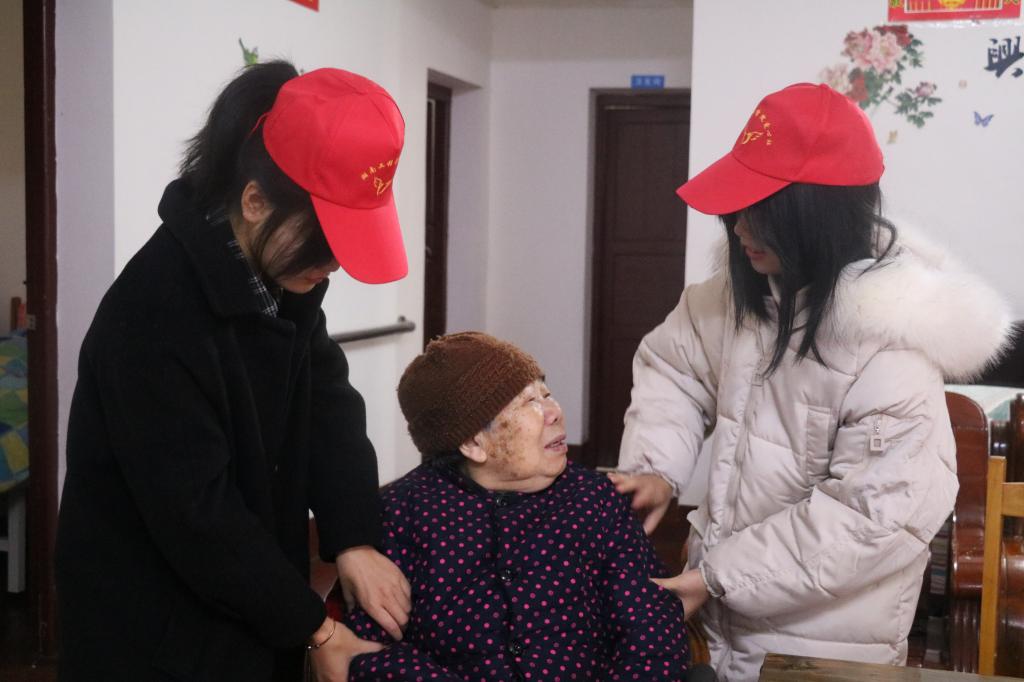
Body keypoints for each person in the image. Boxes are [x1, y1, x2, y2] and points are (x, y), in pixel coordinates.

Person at [610, 83, 1012, 681]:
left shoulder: (891, 343)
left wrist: (716, 577)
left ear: (818, 217)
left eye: (762, 213)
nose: (740, 228)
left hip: (829, 642)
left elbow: (873, 518)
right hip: (720, 618)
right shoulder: (729, 299)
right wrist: (655, 467)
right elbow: (674, 368)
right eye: (738, 207)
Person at [55, 62, 412, 682]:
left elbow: (327, 402)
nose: (333, 266)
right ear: (254, 201)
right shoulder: (152, 316)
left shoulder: (281, 275)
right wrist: (316, 631)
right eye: (324, 241)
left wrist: (352, 537)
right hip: (153, 627)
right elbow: (199, 518)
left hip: (242, 600)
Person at [333, 332, 691, 681]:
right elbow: (371, 651)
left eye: (547, 394)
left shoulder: (594, 498)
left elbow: (653, 626)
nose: (554, 412)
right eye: (529, 402)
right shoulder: (401, 512)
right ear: (474, 443)